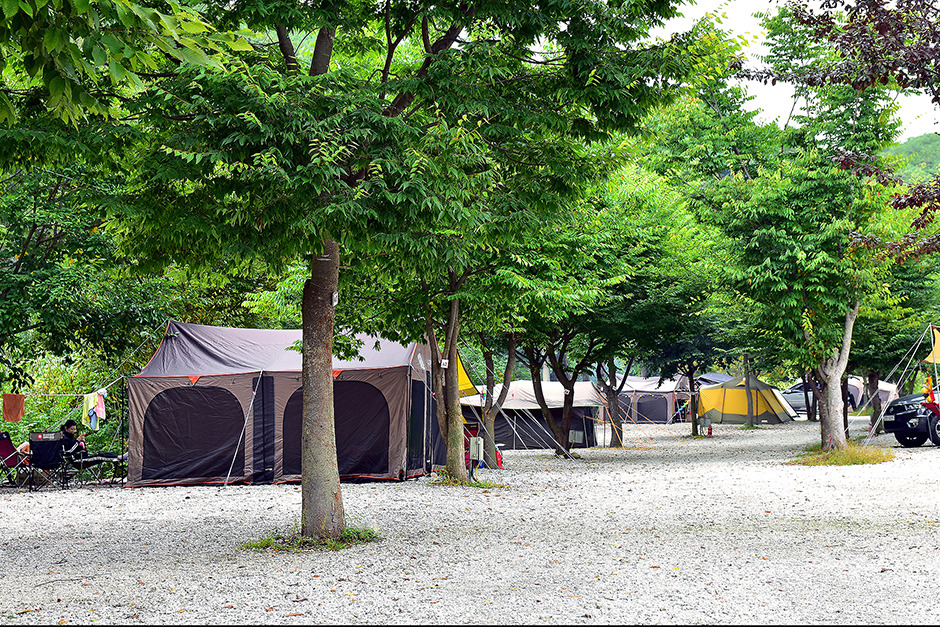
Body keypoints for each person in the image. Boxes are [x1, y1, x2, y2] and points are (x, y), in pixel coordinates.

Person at [59, 420, 127, 466]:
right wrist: (77, 442)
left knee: (103, 454)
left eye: (74, 429)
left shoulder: (73, 438)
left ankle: (120, 456)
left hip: (83, 457)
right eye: (72, 429)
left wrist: (82, 443)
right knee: (100, 456)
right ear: (66, 428)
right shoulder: (64, 438)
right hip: (76, 461)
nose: (73, 431)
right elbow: (68, 452)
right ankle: (120, 457)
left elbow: (81, 449)